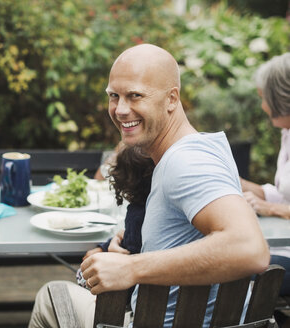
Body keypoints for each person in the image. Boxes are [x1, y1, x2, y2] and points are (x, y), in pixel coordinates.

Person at [29, 44, 269, 328]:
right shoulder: (207, 147)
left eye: (135, 96)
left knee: (50, 295)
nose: (120, 110)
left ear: (171, 99)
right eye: (113, 96)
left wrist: (132, 268)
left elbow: (250, 249)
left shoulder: (185, 161)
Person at [240, 53, 290, 307]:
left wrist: (271, 208)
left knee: (235, 265)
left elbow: (279, 204)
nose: (263, 107)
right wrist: (234, 182)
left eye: (264, 98)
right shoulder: (287, 133)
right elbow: (284, 194)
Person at [76, 146, 154, 306]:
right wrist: (108, 244)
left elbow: (128, 250)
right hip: (143, 296)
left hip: (124, 301)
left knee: (79, 275)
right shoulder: (152, 206)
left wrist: (104, 249)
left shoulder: (137, 212)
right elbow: (130, 240)